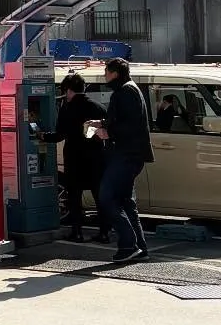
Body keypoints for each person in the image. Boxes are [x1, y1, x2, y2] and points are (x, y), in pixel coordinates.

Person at [91, 58, 154, 265]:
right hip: (131, 154)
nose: (104, 75)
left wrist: (107, 132)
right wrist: (101, 122)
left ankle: (129, 244)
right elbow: (125, 120)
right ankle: (139, 247)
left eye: (106, 72)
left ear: (115, 73)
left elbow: (130, 125)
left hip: (125, 154)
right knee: (126, 201)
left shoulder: (125, 92)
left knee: (107, 197)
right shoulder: (130, 89)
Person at [49, 75, 108, 243]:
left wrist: (43, 136)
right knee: (99, 197)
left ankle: (77, 232)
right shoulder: (98, 107)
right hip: (96, 158)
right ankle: (104, 233)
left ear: (68, 90)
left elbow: (59, 135)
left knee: (75, 197)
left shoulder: (67, 108)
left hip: (75, 159)